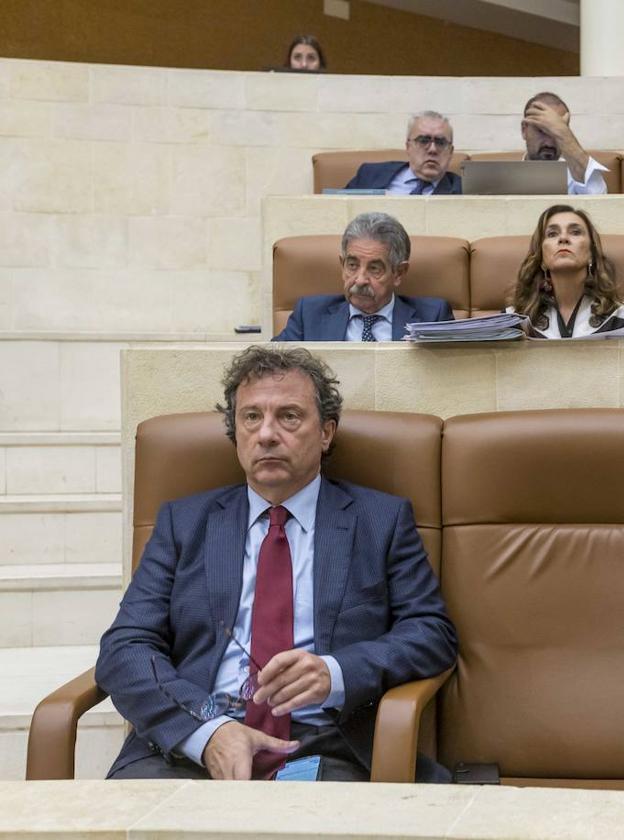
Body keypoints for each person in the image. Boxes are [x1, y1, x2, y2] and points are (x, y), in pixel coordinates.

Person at [96, 345, 458, 781]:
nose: (266, 434)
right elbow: (125, 649)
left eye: (288, 416)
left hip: (323, 747)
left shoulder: (379, 521)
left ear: (325, 433)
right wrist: (208, 732)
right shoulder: (184, 523)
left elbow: (430, 633)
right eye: (251, 417)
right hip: (191, 743)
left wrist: (336, 672)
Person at [274, 212, 453, 342]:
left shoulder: (433, 317)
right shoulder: (309, 314)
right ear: (342, 265)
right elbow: (273, 366)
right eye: (352, 266)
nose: (360, 280)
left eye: (374, 269)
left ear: (399, 273)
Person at [506, 205, 624, 338]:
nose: (563, 238)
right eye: (552, 234)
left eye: (576, 232)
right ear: (541, 257)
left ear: (591, 253)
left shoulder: (623, 317)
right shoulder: (513, 320)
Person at [343, 111, 462, 195]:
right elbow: (338, 210)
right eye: (423, 141)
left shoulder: (463, 190)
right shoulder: (370, 175)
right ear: (408, 147)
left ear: (450, 152)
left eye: (440, 142)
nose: (432, 149)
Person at [521, 92, 608, 195]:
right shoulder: (506, 177)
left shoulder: (576, 176)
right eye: (541, 131)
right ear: (524, 130)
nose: (549, 144)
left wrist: (565, 135)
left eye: (557, 132)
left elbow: (598, 200)